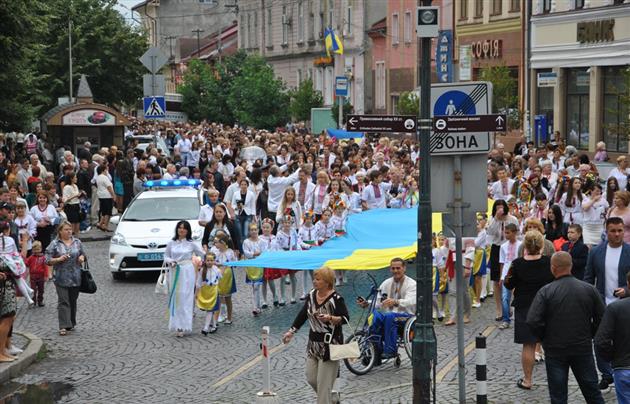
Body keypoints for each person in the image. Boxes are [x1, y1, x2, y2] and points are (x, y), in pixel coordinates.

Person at [526, 252, 605, 404]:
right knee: (593, 393)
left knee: (558, 396)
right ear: (571, 266)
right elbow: (602, 317)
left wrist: (544, 337)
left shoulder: (546, 291)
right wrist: (590, 333)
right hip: (582, 347)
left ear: (553, 268)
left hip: (555, 349)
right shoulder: (589, 289)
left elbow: (533, 320)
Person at [282, 267, 349, 404]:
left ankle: (327, 399)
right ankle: (332, 399)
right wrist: (291, 331)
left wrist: (330, 318)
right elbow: (303, 314)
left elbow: (345, 318)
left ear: (327, 282)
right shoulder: (312, 295)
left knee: (323, 385)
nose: (314, 281)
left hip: (330, 345)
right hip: (314, 345)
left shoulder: (336, 298)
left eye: (318, 279)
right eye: (314, 278)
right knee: (311, 378)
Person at [503, 230, 554, 390]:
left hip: (525, 307)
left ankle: (528, 380)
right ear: (541, 245)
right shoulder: (549, 262)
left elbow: (508, 284)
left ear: (525, 245)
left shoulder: (517, 264)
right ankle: (555, 380)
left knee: (528, 345)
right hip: (546, 305)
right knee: (551, 345)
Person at [584, 216, 630, 389]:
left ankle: (620, 371)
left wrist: (626, 290)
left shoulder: (629, 251)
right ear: (606, 231)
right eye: (613, 231)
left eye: (620, 230)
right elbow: (589, 278)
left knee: (623, 340)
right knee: (599, 340)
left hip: (624, 304)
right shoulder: (596, 252)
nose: (617, 234)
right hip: (601, 305)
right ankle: (606, 373)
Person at [357, 258, 416, 359]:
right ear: (390, 269)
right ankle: (376, 353)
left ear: (404, 268)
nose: (395, 271)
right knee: (375, 316)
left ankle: (390, 350)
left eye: (398, 268)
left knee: (389, 316)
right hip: (390, 317)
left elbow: (411, 301)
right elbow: (379, 302)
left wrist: (396, 301)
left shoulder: (412, 284)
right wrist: (367, 303)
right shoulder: (386, 283)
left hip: (407, 317)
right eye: (393, 268)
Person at [163, 220, 205, 337]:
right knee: (176, 297)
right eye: (180, 228)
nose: (181, 230)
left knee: (186, 297)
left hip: (187, 271)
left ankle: (185, 325)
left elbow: (201, 254)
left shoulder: (191, 243)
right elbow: (166, 256)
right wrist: (171, 261)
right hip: (175, 270)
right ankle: (178, 325)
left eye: (184, 228)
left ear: (187, 231)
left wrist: (199, 264)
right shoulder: (171, 243)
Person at [45, 221, 86, 336]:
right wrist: (58, 259)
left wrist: (81, 258)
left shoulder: (77, 242)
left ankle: (71, 322)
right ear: (60, 231)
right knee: (63, 301)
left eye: (70, 229)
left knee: (72, 301)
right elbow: (47, 259)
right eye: (66, 229)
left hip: (75, 277)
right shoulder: (55, 244)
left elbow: (83, 254)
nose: (69, 231)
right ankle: (63, 326)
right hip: (60, 277)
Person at [595, 271, 630, 404]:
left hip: (623, 367)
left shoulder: (615, 308)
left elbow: (600, 341)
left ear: (628, 284)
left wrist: (612, 358)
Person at [487, 199, 519, 321]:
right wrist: (496, 219)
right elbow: (490, 233)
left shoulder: (512, 219)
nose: (499, 209)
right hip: (497, 247)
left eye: (501, 206)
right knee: (496, 280)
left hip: (510, 247)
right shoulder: (493, 219)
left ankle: (509, 305)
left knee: (511, 277)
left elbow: (518, 234)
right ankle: (499, 308)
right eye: (497, 207)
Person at [211, 232, 237, 324]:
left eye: (216, 242)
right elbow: (211, 261)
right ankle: (221, 314)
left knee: (228, 298)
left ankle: (229, 317)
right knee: (219, 296)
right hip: (218, 275)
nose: (215, 244)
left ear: (223, 242)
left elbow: (235, 263)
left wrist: (224, 265)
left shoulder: (230, 252)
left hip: (227, 276)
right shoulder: (215, 252)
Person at [498, 223, 521, 330]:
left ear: (514, 233)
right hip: (506, 274)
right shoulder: (503, 246)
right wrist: (501, 277)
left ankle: (518, 318)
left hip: (518, 273)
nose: (506, 235)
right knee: (504, 297)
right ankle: (506, 319)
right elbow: (502, 262)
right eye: (505, 233)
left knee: (517, 296)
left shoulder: (521, 245)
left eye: (508, 233)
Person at [196, 252, 222, 335]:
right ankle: (214, 325)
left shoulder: (216, 269)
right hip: (206, 292)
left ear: (214, 261)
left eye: (211, 260)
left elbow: (220, 277)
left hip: (214, 292)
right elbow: (198, 281)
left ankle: (206, 327)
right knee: (210, 310)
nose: (209, 262)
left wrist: (221, 269)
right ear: (205, 261)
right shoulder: (202, 270)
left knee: (210, 310)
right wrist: (197, 292)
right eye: (208, 260)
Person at [242, 223, 265, 316]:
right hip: (251, 267)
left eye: (255, 229)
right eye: (252, 229)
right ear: (249, 231)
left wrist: (259, 254)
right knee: (254, 286)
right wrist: (255, 254)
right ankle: (256, 305)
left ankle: (256, 306)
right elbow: (246, 253)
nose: (254, 231)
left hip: (259, 266)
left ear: (258, 230)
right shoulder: (246, 242)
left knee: (256, 286)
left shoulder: (262, 241)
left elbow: (264, 252)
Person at [25, 241, 48, 307]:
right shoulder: (31, 257)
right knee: (33, 289)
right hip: (33, 276)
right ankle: (33, 301)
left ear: (41, 249)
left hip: (41, 276)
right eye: (35, 250)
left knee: (41, 289)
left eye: (38, 249)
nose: (36, 251)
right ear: (33, 250)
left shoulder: (43, 258)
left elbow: (45, 267)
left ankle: (40, 301)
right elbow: (26, 263)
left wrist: (46, 275)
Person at [95, 165, 115, 232]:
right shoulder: (104, 177)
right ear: (103, 170)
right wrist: (113, 195)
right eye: (106, 170)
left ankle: (100, 223)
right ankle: (105, 225)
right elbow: (109, 187)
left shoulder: (98, 177)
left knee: (103, 211)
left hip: (101, 196)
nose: (107, 171)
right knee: (108, 212)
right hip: (107, 196)